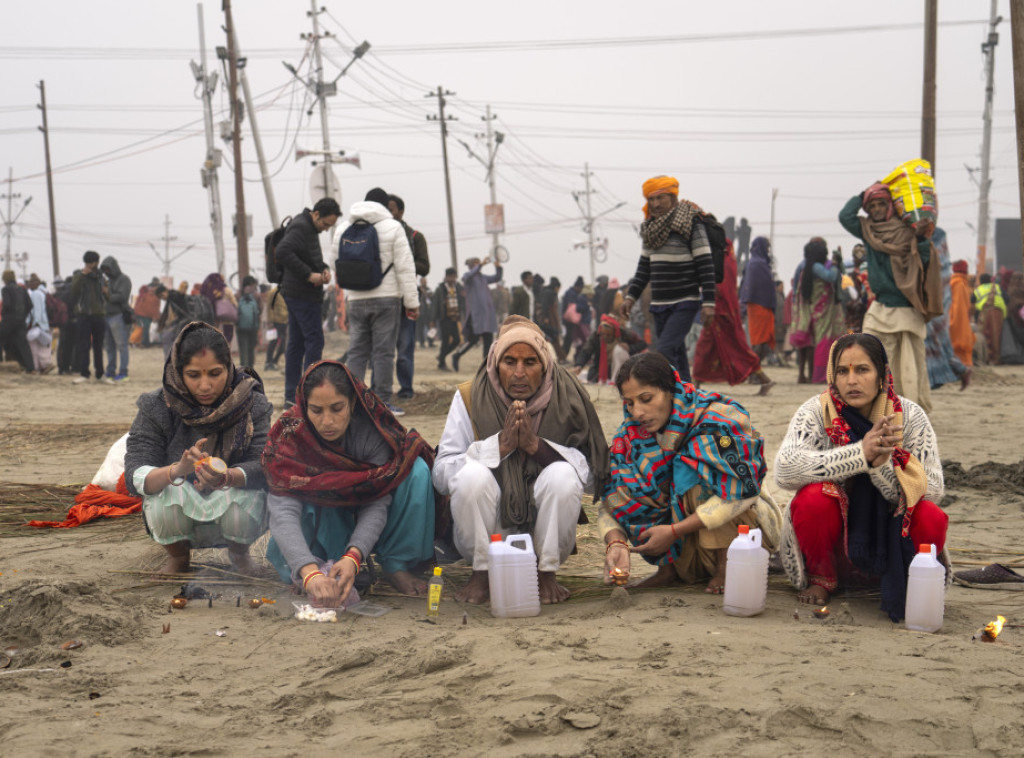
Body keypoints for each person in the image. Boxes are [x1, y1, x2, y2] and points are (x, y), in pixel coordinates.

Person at [433, 316, 610, 605]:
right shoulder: (469, 396)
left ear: (545, 364)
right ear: (494, 362)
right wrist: (496, 449)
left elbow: (593, 478)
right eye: (509, 361)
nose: (519, 373)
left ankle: (546, 572)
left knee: (564, 475)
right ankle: (481, 572)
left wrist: (536, 447)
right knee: (470, 477)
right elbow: (440, 475)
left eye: (530, 362)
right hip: (489, 534)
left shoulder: (568, 397)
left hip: (548, 534)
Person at [774, 332, 946, 620]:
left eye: (862, 370)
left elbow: (934, 488)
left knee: (929, 514)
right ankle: (822, 577)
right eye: (843, 371)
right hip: (834, 548)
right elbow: (785, 471)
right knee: (814, 499)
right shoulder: (817, 412)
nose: (851, 380)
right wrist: (860, 456)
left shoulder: (910, 416)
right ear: (833, 376)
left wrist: (880, 467)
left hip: (893, 546)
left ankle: (906, 576)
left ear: (881, 376)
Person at [601, 352, 782, 593]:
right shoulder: (630, 437)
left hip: (743, 542)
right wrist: (615, 542)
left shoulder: (717, 420)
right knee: (631, 480)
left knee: (693, 473)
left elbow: (743, 492)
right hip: (686, 552)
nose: (637, 412)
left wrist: (674, 531)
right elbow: (613, 498)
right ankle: (669, 570)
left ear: (670, 390)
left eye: (646, 398)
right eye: (630, 402)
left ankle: (724, 567)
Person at [263, 361, 436, 602]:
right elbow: (282, 512)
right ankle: (314, 567)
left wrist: (354, 556)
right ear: (303, 407)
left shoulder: (372, 434)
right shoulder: (290, 436)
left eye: (337, 408)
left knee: (416, 470)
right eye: (316, 410)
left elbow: (376, 501)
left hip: (359, 519)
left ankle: (395, 564)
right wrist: (308, 571)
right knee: (321, 489)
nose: (327, 422)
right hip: (314, 527)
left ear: (353, 403)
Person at [124, 322, 272, 574]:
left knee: (247, 495)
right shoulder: (156, 406)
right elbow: (134, 473)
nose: (205, 386)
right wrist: (177, 470)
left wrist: (228, 477)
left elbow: (265, 462)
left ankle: (239, 554)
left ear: (229, 367)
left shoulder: (252, 403)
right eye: (194, 375)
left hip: (232, 500)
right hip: (181, 504)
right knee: (164, 496)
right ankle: (178, 557)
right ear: (179, 372)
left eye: (215, 373)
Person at [839, 184, 942, 411]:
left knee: (908, 367)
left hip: (906, 309)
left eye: (881, 204)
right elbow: (845, 217)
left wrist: (921, 239)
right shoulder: (868, 231)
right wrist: (862, 193)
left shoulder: (908, 231)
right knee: (872, 359)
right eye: (871, 205)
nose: (876, 209)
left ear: (890, 206)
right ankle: (876, 407)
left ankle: (909, 410)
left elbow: (924, 260)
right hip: (879, 309)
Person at [621, 175, 716, 383]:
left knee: (664, 351)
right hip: (659, 305)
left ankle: (672, 396)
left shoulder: (691, 222)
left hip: (685, 302)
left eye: (660, 198)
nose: (655, 204)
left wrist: (709, 302)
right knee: (677, 356)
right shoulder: (650, 229)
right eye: (651, 200)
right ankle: (688, 400)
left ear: (673, 197)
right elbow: (643, 268)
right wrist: (630, 297)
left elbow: (705, 263)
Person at [343, 188, 418, 416]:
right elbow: (405, 268)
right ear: (386, 206)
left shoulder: (343, 228)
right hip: (386, 299)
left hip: (355, 298)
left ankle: (352, 402)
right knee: (383, 353)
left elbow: (336, 262)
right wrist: (411, 302)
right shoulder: (394, 228)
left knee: (356, 352)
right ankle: (381, 403)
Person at [275, 197, 340, 409]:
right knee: (314, 341)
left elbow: (308, 256)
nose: (325, 229)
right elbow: (283, 251)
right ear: (315, 214)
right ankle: (308, 393)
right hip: (301, 293)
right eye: (325, 224)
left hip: (299, 292)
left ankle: (292, 397)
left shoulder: (307, 227)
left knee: (296, 344)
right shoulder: (301, 227)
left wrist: (322, 269)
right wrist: (308, 275)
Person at [693, 240, 775, 394]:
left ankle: (694, 383)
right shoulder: (729, 262)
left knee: (716, 348)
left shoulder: (723, 263)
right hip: (725, 312)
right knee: (726, 349)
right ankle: (695, 382)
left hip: (720, 313)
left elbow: (721, 288)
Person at [388, 194, 430, 400]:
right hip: (385, 297)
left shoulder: (414, 237)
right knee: (383, 350)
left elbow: (425, 266)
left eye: (392, 209)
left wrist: (404, 264)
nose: (388, 213)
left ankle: (405, 390)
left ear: (401, 212)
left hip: (407, 298)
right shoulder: (377, 235)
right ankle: (382, 391)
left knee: (404, 347)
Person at [789, 238, 844, 384]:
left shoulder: (803, 265)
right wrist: (835, 265)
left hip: (807, 307)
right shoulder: (818, 267)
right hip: (821, 310)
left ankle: (803, 374)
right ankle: (818, 375)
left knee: (806, 344)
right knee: (821, 342)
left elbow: (796, 288)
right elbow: (831, 277)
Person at [924, 229, 971, 391]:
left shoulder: (953, 281)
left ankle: (955, 371)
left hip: (942, 315)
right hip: (946, 317)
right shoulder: (959, 282)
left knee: (935, 340)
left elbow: (956, 306)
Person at [450, 255, 503, 372]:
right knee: (473, 340)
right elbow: (466, 276)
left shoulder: (483, 278)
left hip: (487, 315)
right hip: (476, 316)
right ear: (471, 266)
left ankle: (486, 368)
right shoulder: (468, 278)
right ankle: (457, 355)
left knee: (488, 341)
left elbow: (497, 277)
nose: (480, 264)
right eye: (476, 263)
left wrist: (498, 267)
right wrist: (481, 265)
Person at [574, 314, 646, 384]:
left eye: (608, 335)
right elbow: (586, 351)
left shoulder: (624, 334)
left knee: (619, 350)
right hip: (600, 371)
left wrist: (629, 348)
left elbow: (642, 344)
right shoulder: (596, 336)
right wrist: (579, 365)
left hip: (621, 368)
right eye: (603, 334)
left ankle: (616, 379)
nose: (605, 337)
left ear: (615, 332)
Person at [71, 251, 108, 384]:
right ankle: (84, 374)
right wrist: (82, 275)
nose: (93, 265)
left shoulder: (101, 277)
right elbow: (74, 290)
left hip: (99, 315)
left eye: (94, 263)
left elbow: (107, 296)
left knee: (98, 346)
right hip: (83, 315)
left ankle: (100, 374)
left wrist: (106, 292)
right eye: (91, 263)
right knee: (84, 345)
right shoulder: (78, 275)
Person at [739, 236, 777, 363]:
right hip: (758, 306)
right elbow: (751, 287)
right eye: (767, 247)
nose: (768, 250)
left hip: (764, 306)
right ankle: (753, 370)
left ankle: (755, 369)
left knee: (766, 340)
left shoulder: (760, 263)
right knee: (760, 340)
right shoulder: (756, 264)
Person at [100, 256, 132, 382]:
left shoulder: (124, 280)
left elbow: (122, 297)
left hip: (118, 316)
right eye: (105, 269)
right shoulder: (108, 281)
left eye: (108, 268)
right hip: (106, 316)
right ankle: (110, 371)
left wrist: (107, 293)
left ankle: (123, 372)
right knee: (109, 346)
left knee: (122, 345)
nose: (107, 271)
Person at [1, 270, 34, 372]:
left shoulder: (5, 289)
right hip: (21, 320)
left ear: (5, 279)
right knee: (23, 344)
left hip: (9, 320)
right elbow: (30, 305)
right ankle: (30, 368)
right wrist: (23, 315)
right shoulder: (22, 289)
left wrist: (4, 314)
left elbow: (6, 304)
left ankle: (1, 364)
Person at [433, 267, 464, 371]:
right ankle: (441, 364)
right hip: (444, 318)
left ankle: (441, 356)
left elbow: (462, 300)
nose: (452, 279)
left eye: (454, 277)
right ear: (446, 277)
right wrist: (433, 320)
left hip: (455, 318)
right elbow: (435, 304)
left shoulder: (458, 287)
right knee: (445, 341)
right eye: (450, 277)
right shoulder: (440, 289)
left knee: (457, 340)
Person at [973, 273, 1006, 366]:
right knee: (997, 335)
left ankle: (986, 358)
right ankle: (996, 359)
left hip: (985, 313)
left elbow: (972, 301)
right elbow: (1006, 298)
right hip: (998, 312)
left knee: (985, 335)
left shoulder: (978, 290)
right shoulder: (997, 287)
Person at [949, 260, 975, 370]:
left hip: (953, 317)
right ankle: (962, 367)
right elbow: (959, 307)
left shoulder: (954, 282)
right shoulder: (959, 284)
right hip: (960, 318)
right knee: (961, 341)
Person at [25, 273, 53, 374]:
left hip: (38, 324)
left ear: (35, 283)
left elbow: (36, 310)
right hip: (45, 324)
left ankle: (37, 367)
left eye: (31, 283)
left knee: (34, 347)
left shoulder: (35, 294)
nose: (30, 285)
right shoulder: (45, 292)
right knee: (44, 346)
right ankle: (45, 365)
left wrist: (34, 323)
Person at [200, 273, 237, 346]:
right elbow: (234, 303)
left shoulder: (208, 291)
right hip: (227, 320)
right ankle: (227, 353)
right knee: (227, 340)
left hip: (214, 321)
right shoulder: (226, 289)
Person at [561, 276, 592, 358]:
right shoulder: (572, 294)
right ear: (578, 287)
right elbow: (573, 308)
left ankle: (565, 356)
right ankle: (563, 356)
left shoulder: (571, 293)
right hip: (570, 320)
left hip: (571, 320)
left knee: (573, 338)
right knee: (569, 338)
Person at [235, 275, 261, 369]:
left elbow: (234, 310)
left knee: (243, 350)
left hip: (240, 327)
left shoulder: (238, 295)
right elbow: (260, 310)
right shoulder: (256, 295)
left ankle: (243, 370)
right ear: (251, 284)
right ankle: (251, 369)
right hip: (253, 326)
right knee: (251, 350)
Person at [264, 285, 288, 371]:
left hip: (285, 321)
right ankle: (268, 362)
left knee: (283, 345)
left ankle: (274, 361)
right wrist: (270, 321)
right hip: (275, 322)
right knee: (273, 342)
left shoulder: (288, 291)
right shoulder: (273, 292)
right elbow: (269, 307)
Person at [133, 278, 162, 349]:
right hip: (143, 314)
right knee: (145, 328)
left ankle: (143, 343)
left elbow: (153, 307)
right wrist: (156, 316)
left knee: (144, 328)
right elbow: (153, 307)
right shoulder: (153, 295)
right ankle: (144, 343)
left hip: (141, 314)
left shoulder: (146, 293)